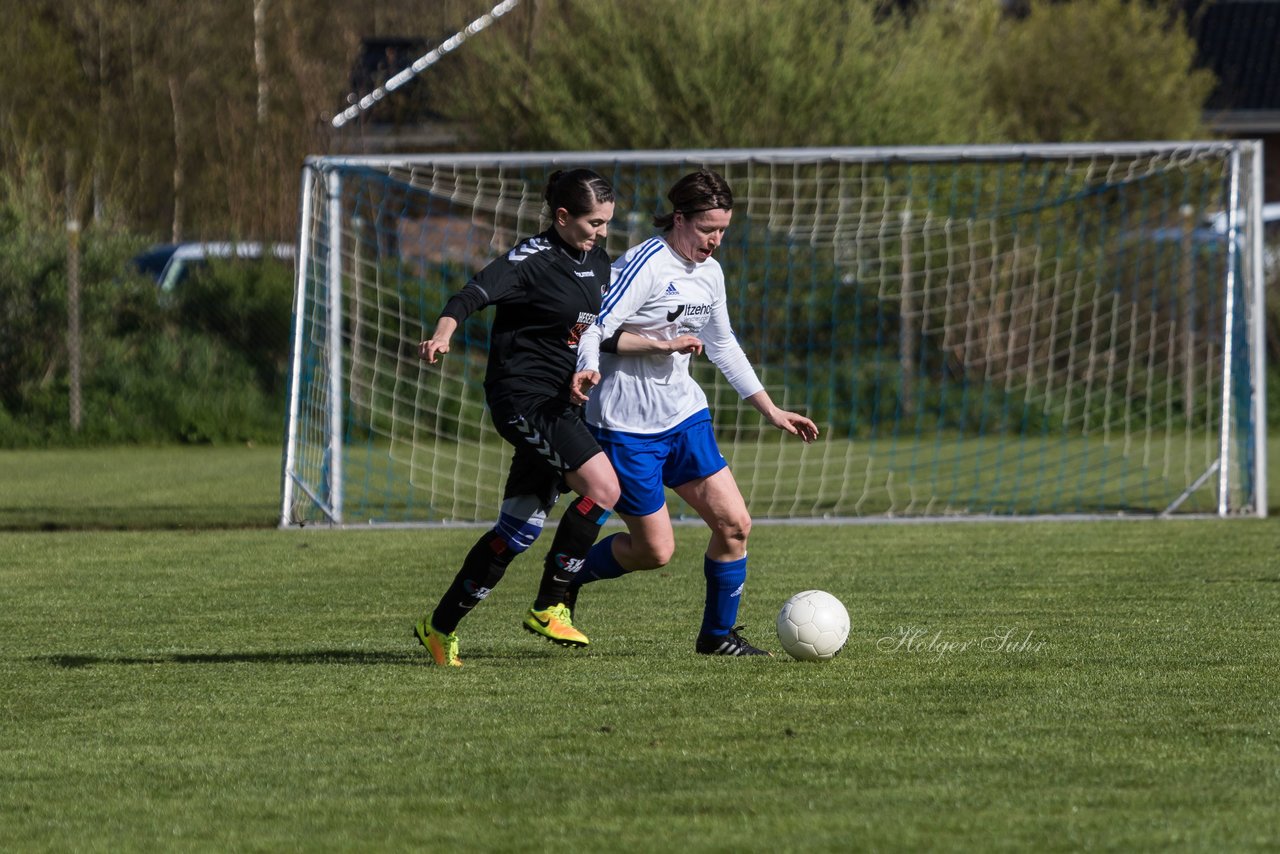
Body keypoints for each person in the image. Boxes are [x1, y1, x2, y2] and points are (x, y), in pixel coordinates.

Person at [570, 170, 819, 657]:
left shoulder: (710, 273)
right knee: (655, 552)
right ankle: (567, 575)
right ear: (679, 219)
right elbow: (595, 329)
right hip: (625, 426)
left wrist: (769, 409)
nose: (716, 240)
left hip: (684, 418)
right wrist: (599, 368)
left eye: (723, 230)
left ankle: (717, 637)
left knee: (735, 525)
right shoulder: (644, 264)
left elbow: (723, 343)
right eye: (708, 229)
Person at [415, 168, 622, 667]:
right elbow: (470, 295)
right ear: (563, 216)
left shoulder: (598, 261)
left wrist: (606, 363)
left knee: (516, 533)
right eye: (594, 222)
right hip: (523, 399)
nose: (602, 232)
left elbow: (594, 331)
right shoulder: (531, 259)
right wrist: (444, 333)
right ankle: (552, 602)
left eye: (608, 222)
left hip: (562, 400)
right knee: (603, 488)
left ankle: (438, 628)